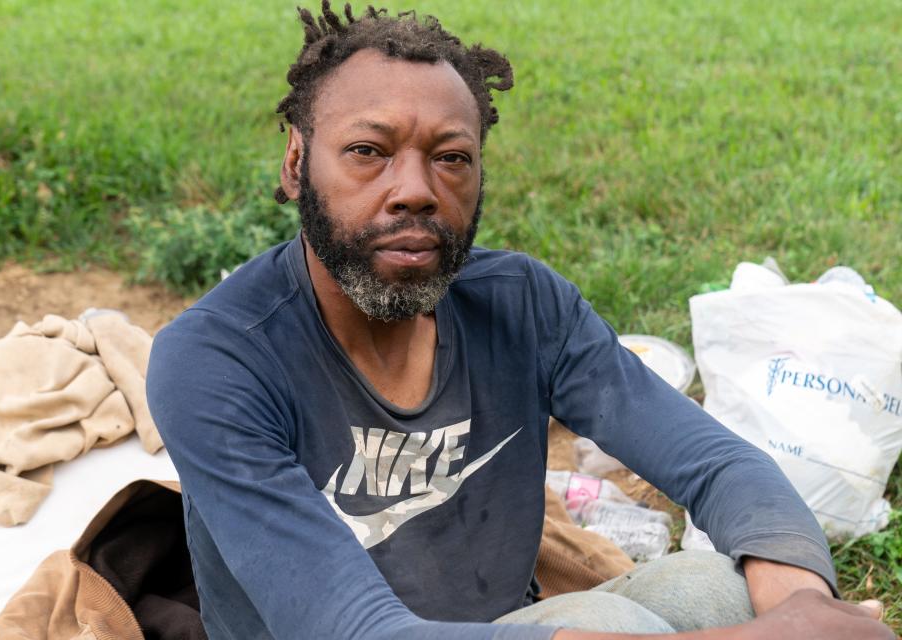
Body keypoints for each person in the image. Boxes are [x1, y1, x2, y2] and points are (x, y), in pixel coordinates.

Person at [146, 3, 894, 639]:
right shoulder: (216, 359)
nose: (415, 190)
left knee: (713, 589)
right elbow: (360, 630)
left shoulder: (522, 305)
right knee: (623, 627)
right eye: (368, 153)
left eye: (451, 158)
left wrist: (804, 610)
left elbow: (719, 465)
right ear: (296, 162)